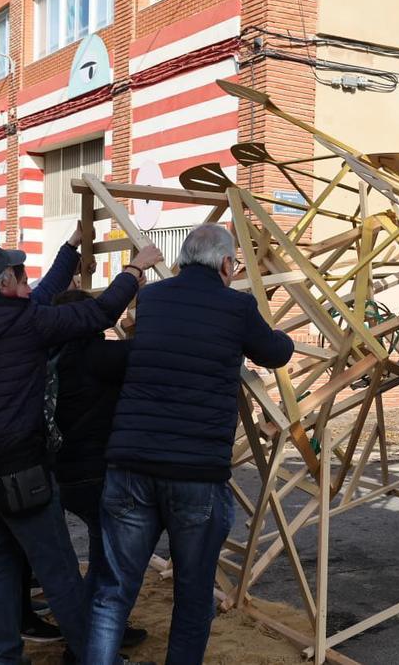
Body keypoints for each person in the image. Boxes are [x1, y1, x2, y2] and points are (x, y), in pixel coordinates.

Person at [0, 240, 163, 664]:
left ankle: (5, 656)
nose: (20, 279)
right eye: (16, 273)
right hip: (22, 472)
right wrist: (135, 269)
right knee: (58, 569)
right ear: (3, 282)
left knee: (3, 556)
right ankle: (96, 658)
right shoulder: (24, 322)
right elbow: (97, 314)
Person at [88, 224, 295, 665]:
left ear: (183, 260)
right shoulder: (237, 306)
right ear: (227, 264)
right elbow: (275, 352)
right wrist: (284, 336)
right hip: (195, 472)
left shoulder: (152, 298)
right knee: (193, 595)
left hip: (131, 462)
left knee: (114, 591)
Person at [50, 289, 148, 649]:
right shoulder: (94, 356)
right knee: (110, 561)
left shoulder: (53, 354)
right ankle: (90, 638)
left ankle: (97, 629)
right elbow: (148, 352)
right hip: (94, 471)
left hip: (65, 471)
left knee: (100, 552)